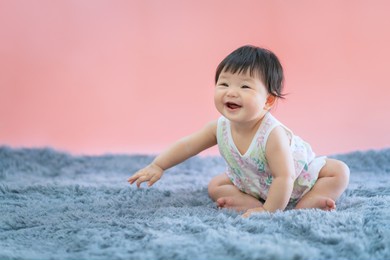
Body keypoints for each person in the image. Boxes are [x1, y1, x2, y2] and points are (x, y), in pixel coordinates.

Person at [128, 45, 350, 218]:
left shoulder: (272, 135)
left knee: (339, 171)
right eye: (224, 84)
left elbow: (285, 176)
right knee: (216, 185)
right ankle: (251, 203)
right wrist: (159, 165)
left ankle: (310, 200)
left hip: (297, 180)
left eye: (245, 87)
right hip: (254, 184)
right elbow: (188, 145)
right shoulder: (219, 128)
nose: (231, 93)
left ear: (268, 101)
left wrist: (269, 212)